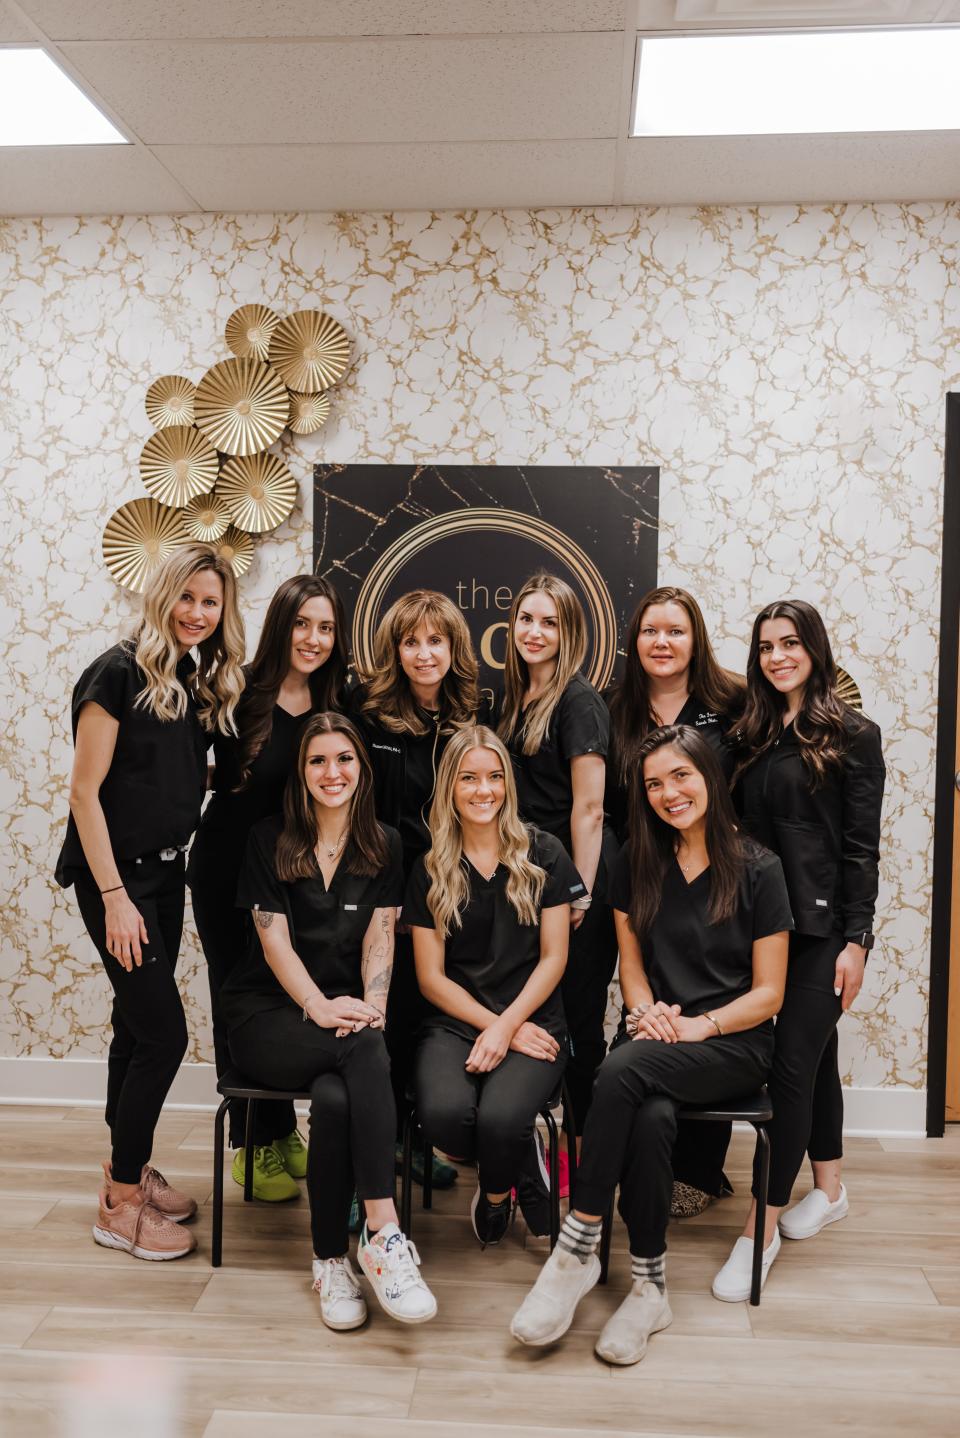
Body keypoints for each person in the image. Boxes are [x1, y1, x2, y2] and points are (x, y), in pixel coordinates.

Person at [510, 725, 790, 1363]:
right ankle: (648, 1286)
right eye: (655, 783)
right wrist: (646, 1012)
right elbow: (630, 965)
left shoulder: (760, 867)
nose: (669, 793)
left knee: (619, 1076)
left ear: (710, 779)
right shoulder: (634, 857)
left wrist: (699, 1025)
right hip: (651, 1034)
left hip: (731, 1044)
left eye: (681, 776)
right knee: (651, 1109)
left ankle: (578, 1245)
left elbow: (770, 993)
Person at [55, 544, 245, 1260]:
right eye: (187, 597)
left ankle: (124, 1172)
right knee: (165, 1035)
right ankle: (122, 1205)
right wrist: (112, 897)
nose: (197, 613)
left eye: (210, 602)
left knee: (135, 1030)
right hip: (121, 881)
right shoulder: (116, 671)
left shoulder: (191, 680)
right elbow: (83, 791)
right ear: (162, 595)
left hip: (166, 877)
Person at [220, 713, 437, 1330]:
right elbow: (275, 944)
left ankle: (330, 1263)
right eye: (318, 760)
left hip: (343, 1021)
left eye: (344, 758)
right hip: (267, 1014)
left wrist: (372, 1012)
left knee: (340, 1094)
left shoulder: (387, 844)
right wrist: (319, 1007)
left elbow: (380, 940)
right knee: (360, 1054)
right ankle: (383, 1231)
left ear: (363, 770)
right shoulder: (269, 838)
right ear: (301, 772)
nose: (332, 772)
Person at [712, 599, 885, 1300]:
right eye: (764, 647)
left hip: (820, 932)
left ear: (814, 648)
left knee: (790, 1067)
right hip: (759, 923)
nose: (777, 656)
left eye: (789, 643)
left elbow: (860, 848)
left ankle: (761, 1224)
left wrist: (858, 941)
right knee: (815, 1061)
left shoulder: (853, 734)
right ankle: (831, 1188)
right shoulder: (748, 732)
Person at [188, 574, 348, 1201]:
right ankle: (250, 1144)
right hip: (226, 868)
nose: (314, 639)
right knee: (238, 995)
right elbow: (183, 764)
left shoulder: (337, 701)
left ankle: (283, 1131)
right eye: (303, 623)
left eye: (327, 627)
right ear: (281, 623)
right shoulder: (235, 690)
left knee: (286, 995)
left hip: (295, 878)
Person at [405, 727, 583, 1244]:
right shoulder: (430, 868)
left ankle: (498, 1188)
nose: (483, 790)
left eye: (494, 777)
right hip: (456, 1023)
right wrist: (493, 1027)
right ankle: (522, 1167)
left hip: (533, 1021)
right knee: (441, 1118)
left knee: (503, 1119)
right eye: (468, 778)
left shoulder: (544, 852)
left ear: (508, 783)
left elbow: (554, 959)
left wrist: (509, 1027)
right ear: (449, 787)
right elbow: (430, 977)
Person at [606, 585, 745, 1217]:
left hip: (718, 873)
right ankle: (630, 1160)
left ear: (696, 639)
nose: (662, 643)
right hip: (644, 874)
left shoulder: (734, 704)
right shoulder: (615, 709)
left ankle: (700, 1170)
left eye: (676, 631)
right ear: (634, 642)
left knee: (710, 997)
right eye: (650, 631)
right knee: (652, 1000)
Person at [349, 589, 485, 1188]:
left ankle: (409, 1143)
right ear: (394, 649)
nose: (424, 654)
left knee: (417, 1024)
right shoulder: (366, 708)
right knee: (377, 1026)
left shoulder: (471, 715)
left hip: (442, 890)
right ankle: (365, 1168)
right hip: (380, 889)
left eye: (435, 640)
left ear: (454, 647)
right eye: (411, 642)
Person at [498, 573, 617, 1145]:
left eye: (550, 621)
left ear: (569, 631)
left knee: (579, 1020)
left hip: (576, 877)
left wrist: (582, 892)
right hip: (531, 876)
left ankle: (588, 1150)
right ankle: (537, 1147)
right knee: (540, 1014)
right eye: (526, 618)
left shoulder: (579, 700)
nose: (535, 631)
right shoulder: (512, 696)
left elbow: (590, 809)